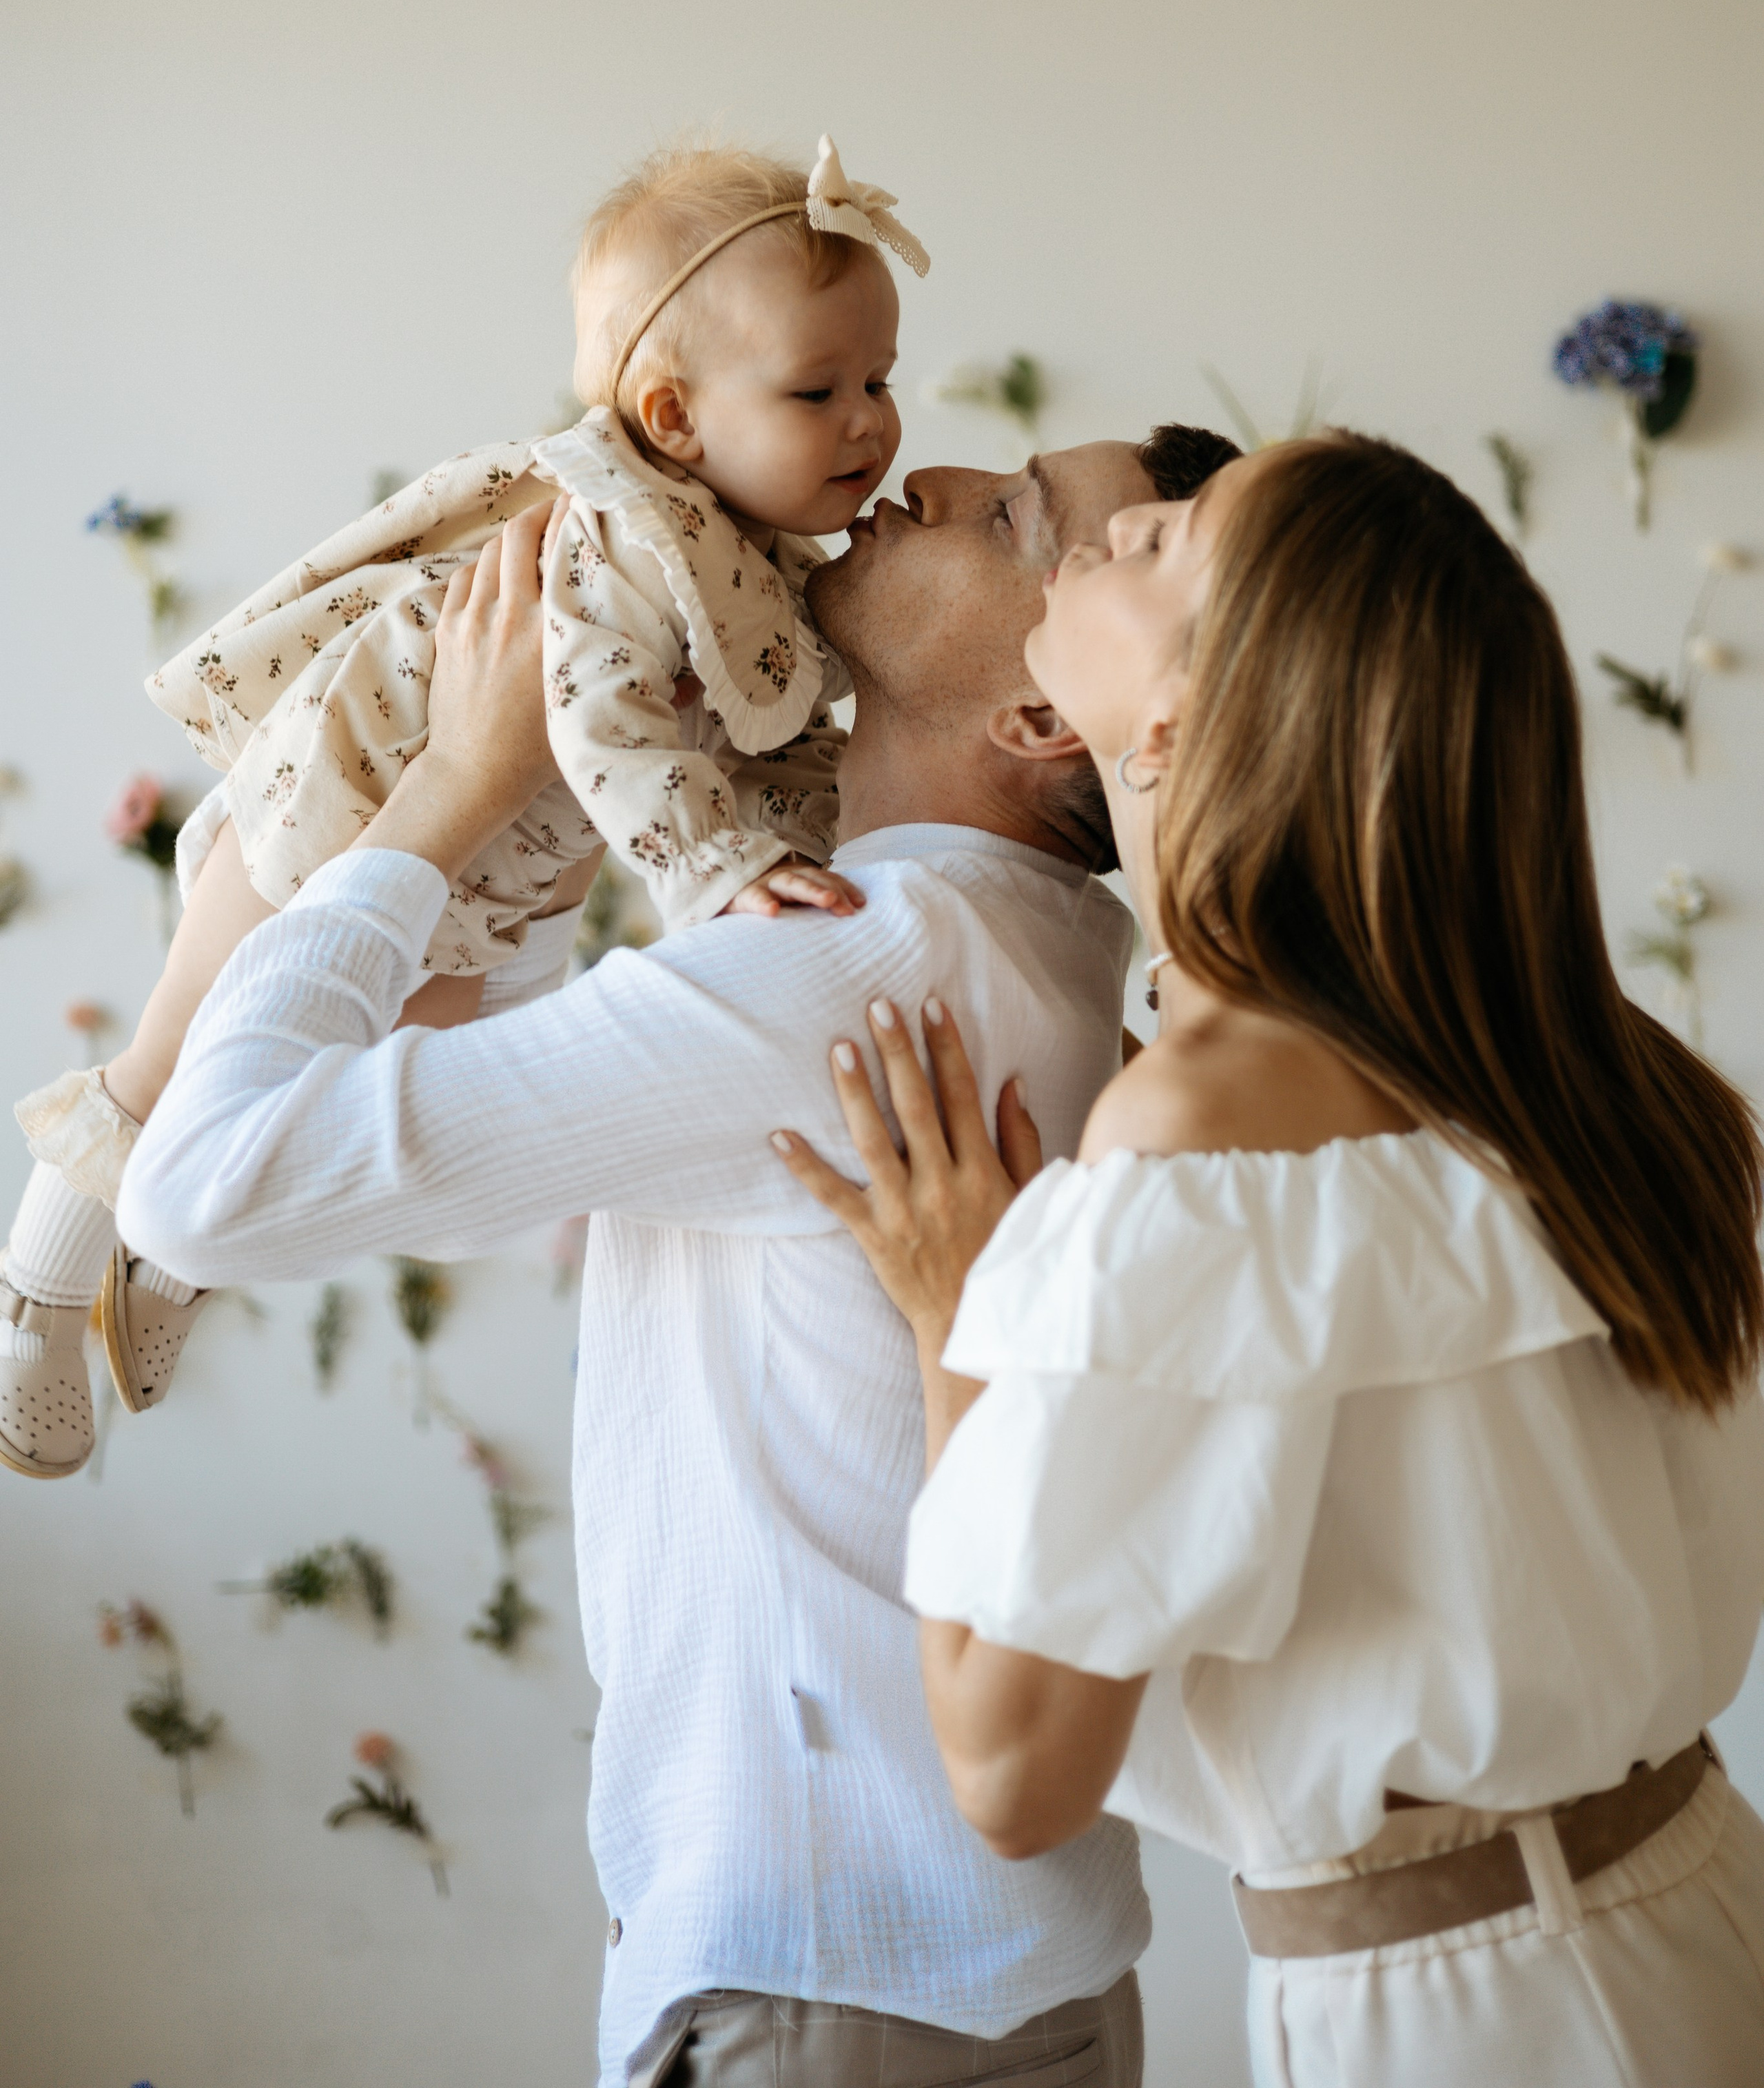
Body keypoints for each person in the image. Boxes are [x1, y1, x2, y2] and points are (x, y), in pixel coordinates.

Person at [114, 420, 1240, 2088]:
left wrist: (447, 792)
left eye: (1008, 519)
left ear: (1038, 713)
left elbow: (206, 1183)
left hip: (825, 1983)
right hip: (1035, 1980)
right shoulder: (1055, 957)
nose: (924, 478)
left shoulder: (847, 972)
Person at [776, 431, 1764, 2088]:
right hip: (1694, 1921)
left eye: (1169, 542)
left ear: (1181, 722)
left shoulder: (1204, 1133)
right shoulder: (1606, 1082)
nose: (1117, 531)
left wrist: (962, 1319)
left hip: (1478, 2022)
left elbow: (1011, 1774)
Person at [3, 134, 921, 1476]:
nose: (871, 422)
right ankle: (32, 1301)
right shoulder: (622, 536)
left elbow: (771, 745)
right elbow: (603, 724)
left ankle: (176, 1252)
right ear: (674, 419)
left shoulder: (755, 566)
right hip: (336, 812)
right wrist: (719, 867)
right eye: (819, 389)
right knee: (165, 1064)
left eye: (881, 380)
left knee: (348, 1098)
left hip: (478, 879)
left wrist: (808, 842)